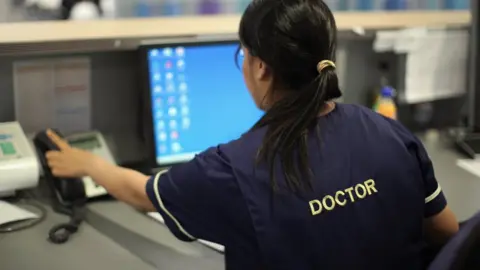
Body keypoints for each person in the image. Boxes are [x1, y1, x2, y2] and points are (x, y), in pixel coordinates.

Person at [44, 0, 459, 269]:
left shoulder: (234, 168)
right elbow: (449, 236)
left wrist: (90, 164)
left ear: (260, 67)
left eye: (243, 55)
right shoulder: (386, 129)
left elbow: (145, 193)